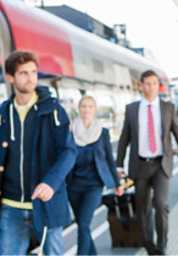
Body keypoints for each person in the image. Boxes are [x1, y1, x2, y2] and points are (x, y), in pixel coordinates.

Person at [0, 51, 77, 255]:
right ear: (11, 77)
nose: (30, 78)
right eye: (23, 73)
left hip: (45, 203)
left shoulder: (54, 111)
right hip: (10, 207)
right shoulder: (2, 114)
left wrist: (51, 182)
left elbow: (69, 151)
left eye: (33, 72)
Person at [116, 70, 178, 255]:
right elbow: (124, 138)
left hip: (161, 165)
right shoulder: (132, 109)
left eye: (154, 83)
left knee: (160, 204)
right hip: (140, 165)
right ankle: (150, 247)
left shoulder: (168, 108)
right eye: (147, 83)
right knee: (143, 208)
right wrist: (119, 165)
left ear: (158, 85)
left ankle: (162, 246)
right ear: (141, 85)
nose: (151, 87)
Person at [67, 96, 124, 255]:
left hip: (94, 185)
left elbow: (109, 159)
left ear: (95, 109)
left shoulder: (102, 132)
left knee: (84, 225)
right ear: (79, 109)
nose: (87, 109)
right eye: (83, 106)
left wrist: (117, 183)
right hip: (74, 185)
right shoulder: (70, 132)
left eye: (90, 106)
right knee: (82, 225)